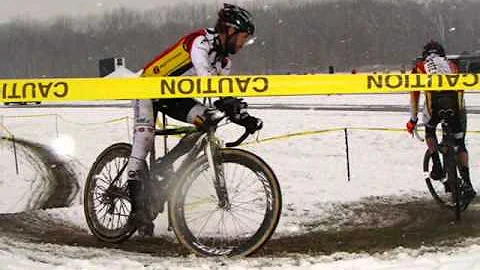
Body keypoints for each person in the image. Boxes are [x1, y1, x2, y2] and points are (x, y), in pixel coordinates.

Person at [126, 3, 263, 236]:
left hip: (175, 96)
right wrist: (228, 102)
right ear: (229, 30)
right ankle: (136, 207)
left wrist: (242, 116)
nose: (242, 44)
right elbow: (207, 79)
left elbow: (220, 96)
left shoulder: (224, 62)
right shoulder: (200, 42)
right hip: (147, 89)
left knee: (208, 120)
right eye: (242, 38)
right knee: (145, 141)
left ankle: (164, 164)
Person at [406, 40, 476, 199]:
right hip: (455, 105)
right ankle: (468, 183)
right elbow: (461, 88)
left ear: (425, 55)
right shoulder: (452, 65)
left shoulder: (419, 67)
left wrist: (413, 120)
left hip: (435, 106)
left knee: (429, 130)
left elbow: (414, 97)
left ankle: (437, 166)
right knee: (460, 143)